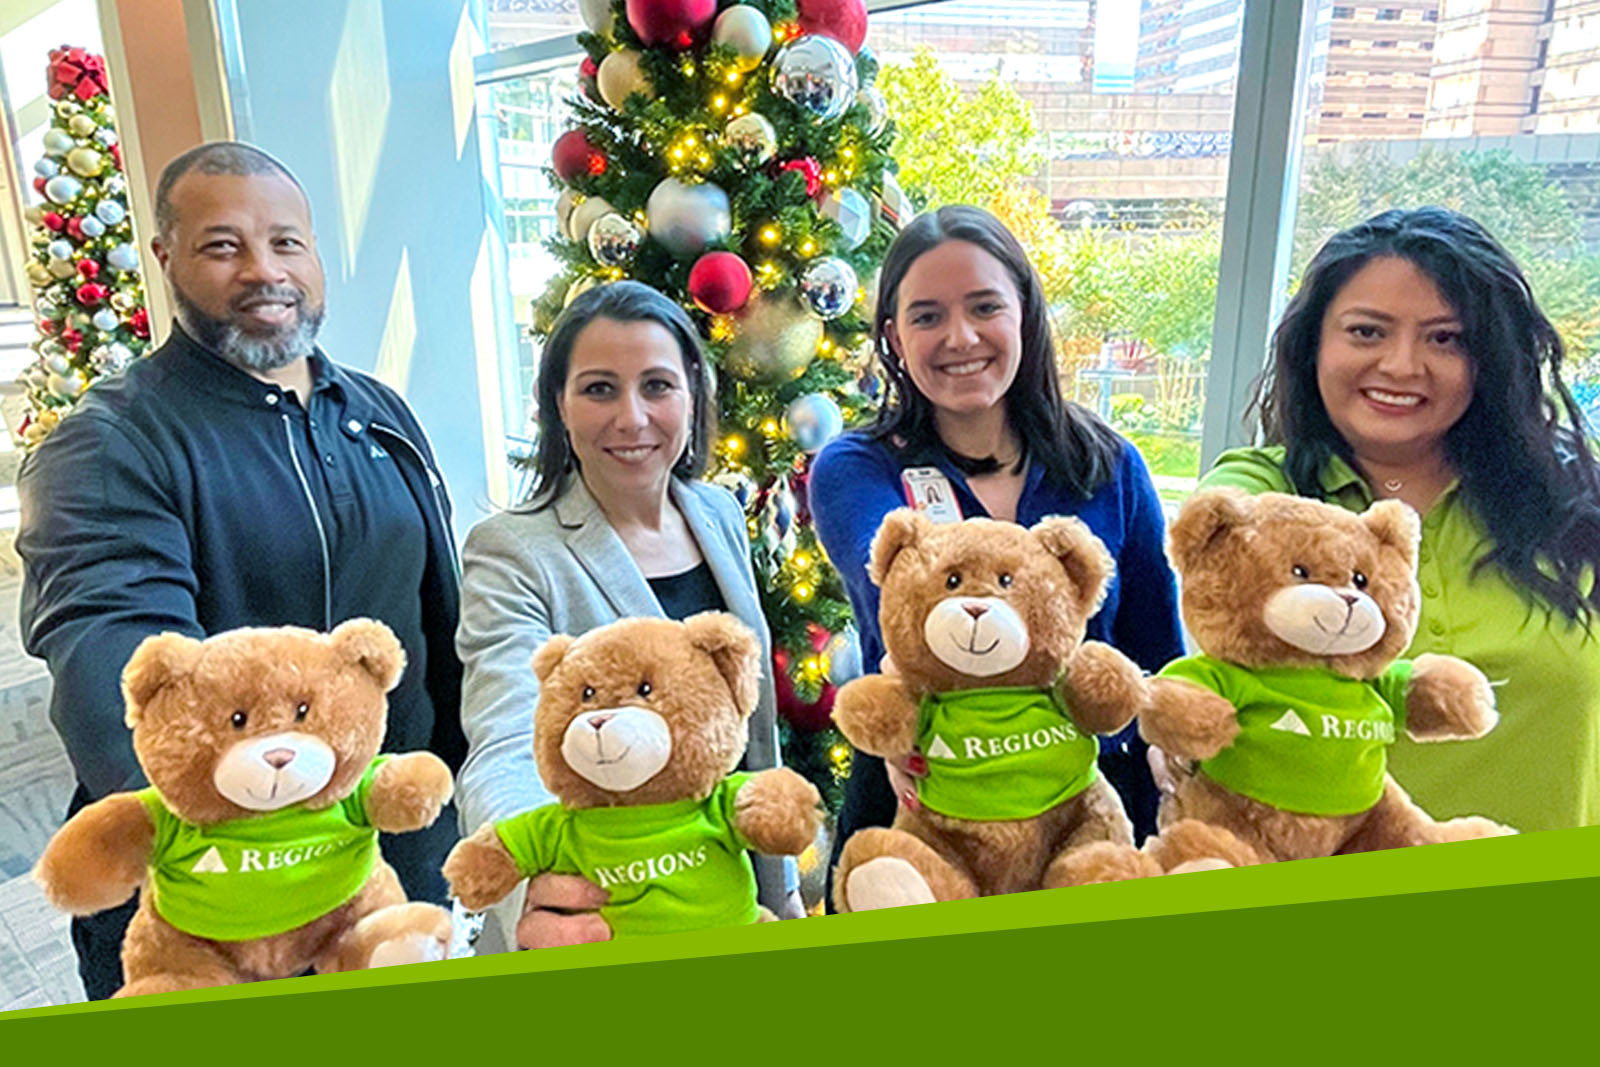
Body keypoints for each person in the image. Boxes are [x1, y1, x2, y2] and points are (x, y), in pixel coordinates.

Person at [15, 142, 464, 999]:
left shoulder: (376, 412)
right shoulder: (109, 446)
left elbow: (435, 631)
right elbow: (120, 693)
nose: (265, 271)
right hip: (213, 916)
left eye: (287, 242)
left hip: (388, 876)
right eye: (224, 245)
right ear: (166, 259)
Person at [808, 205, 1186, 894]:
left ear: (1025, 313)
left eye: (985, 306)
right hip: (925, 804)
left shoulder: (1109, 465)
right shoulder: (855, 468)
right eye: (926, 316)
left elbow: (1157, 647)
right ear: (893, 335)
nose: (960, 336)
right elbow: (901, 608)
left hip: (1087, 812)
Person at [1201, 205, 1600, 834]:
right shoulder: (1257, 498)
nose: (1403, 366)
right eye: (1367, 332)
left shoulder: (1568, 497)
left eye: (1446, 338)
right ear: (1314, 345)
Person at [455, 280, 801, 952]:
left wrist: (779, 887)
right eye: (599, 388)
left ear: (692, 393)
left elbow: (747, 731)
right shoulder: (513, 551)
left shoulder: (718, 513)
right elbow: (504, 730)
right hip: (609, 919)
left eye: (657, 385)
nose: (633, 418)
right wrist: (535, 888)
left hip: (734, 899)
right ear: (558, 402)